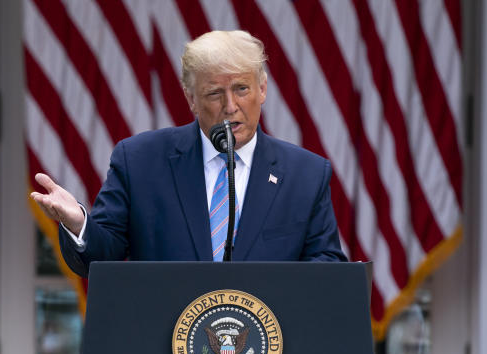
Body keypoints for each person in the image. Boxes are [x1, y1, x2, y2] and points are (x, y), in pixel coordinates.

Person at [30, 30, 346, 278]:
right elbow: (102, 259)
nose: (230, 106)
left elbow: (326, 268)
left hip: (268, 351)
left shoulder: (306, 173)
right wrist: (78, 224)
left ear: (262, 89)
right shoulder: (140, 161)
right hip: (164, 349)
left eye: (241, 89)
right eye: (214, 94)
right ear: (191, 99)